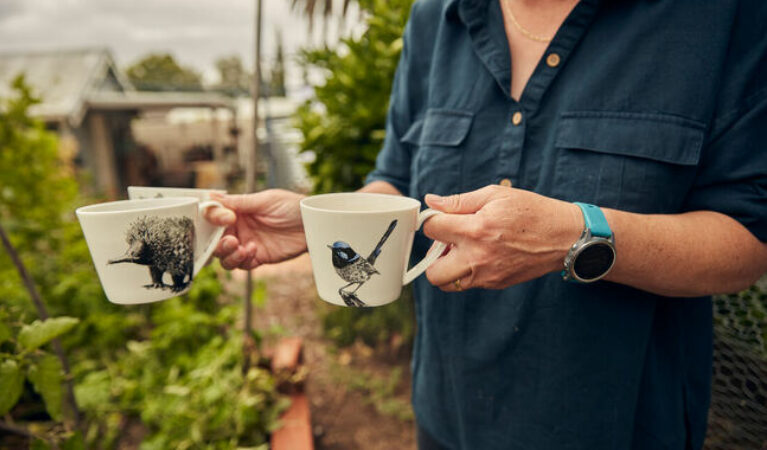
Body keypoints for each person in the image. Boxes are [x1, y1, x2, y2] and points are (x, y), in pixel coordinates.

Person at [207, 0, 767, 448]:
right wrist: (316, 225)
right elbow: (395, 182)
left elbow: (748, 239)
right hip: (444, 419)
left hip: (620, 427)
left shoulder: (720, 16)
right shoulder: (434, 18)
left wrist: (575, 237)